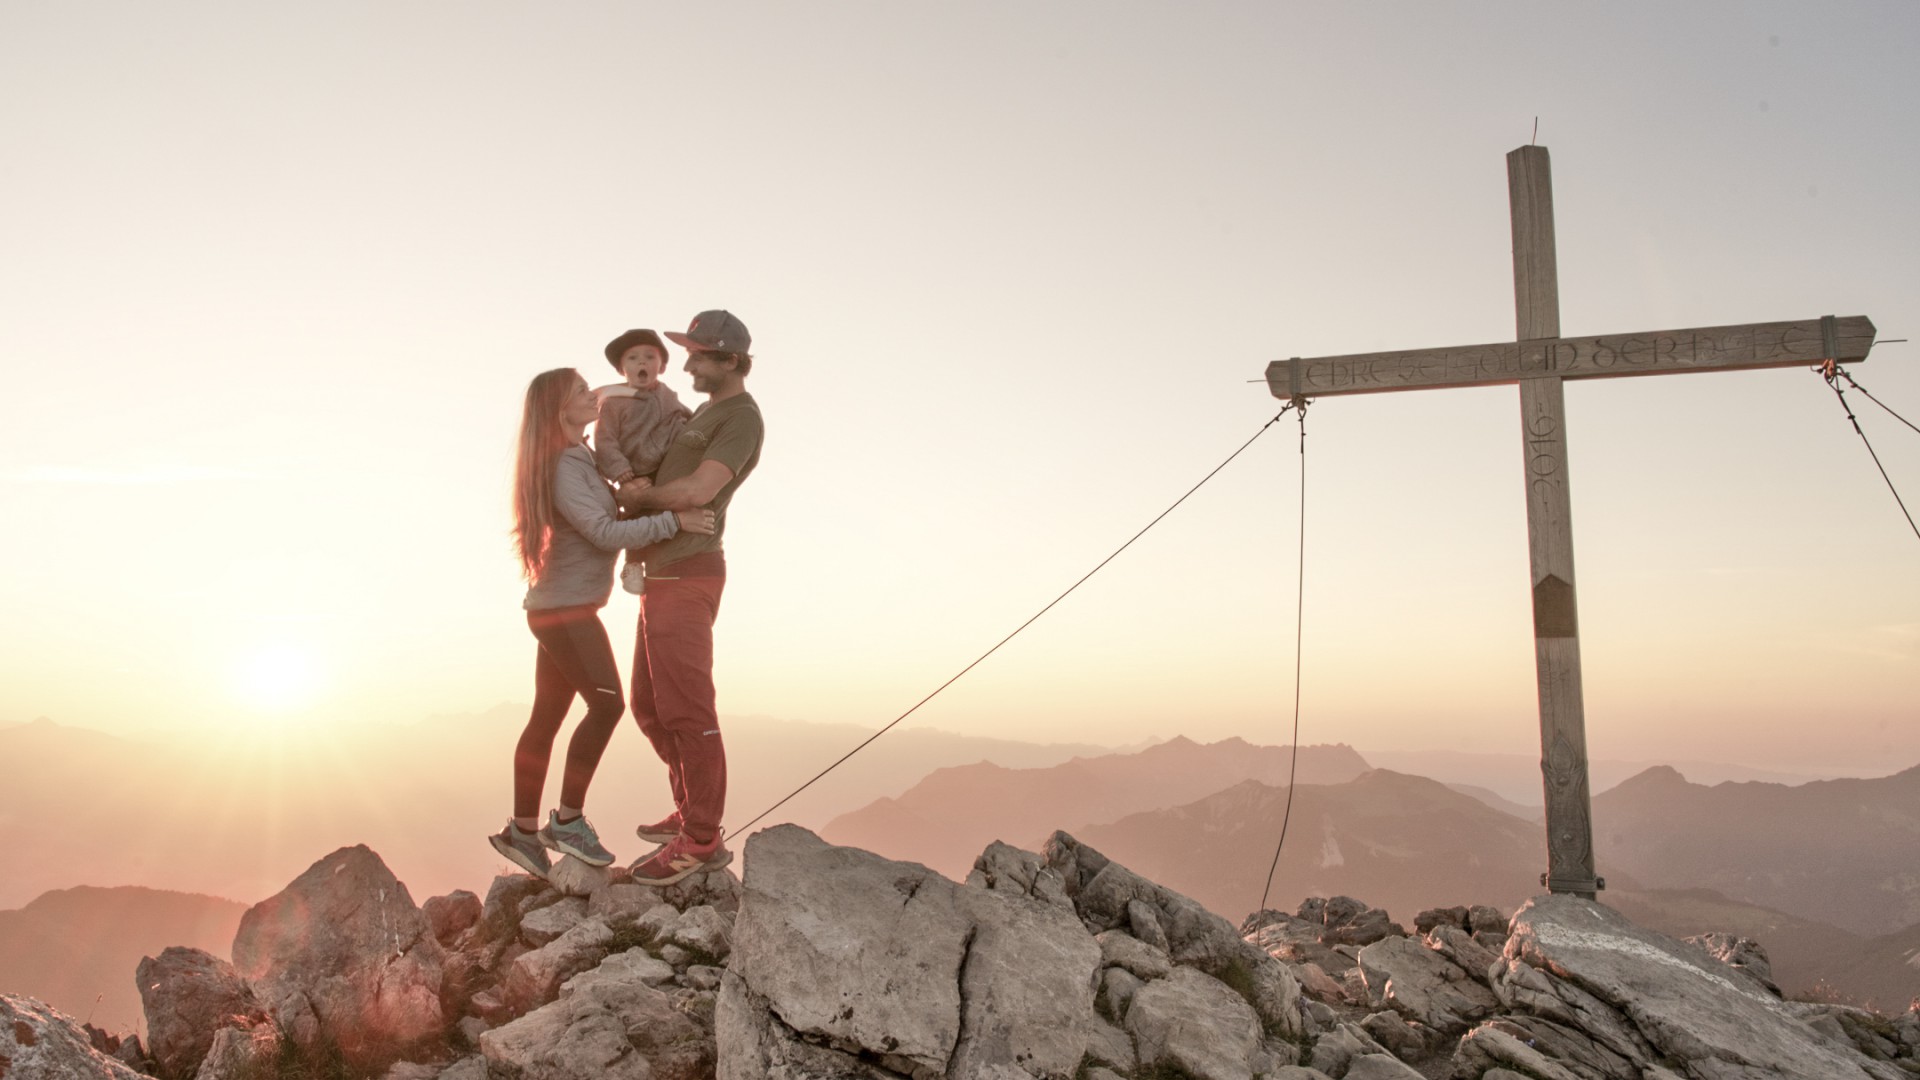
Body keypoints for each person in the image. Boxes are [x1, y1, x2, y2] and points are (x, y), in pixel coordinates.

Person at [494, 367, 716, 879]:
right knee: (608, 704)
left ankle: (522, 832)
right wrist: (674, 521)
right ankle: (567, 821)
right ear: (558, 409)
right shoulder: (564, 466)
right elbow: (601, 531)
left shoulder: (580, 457)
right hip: (565, 611)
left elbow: (608, 505)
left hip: (559, 608)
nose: (592, 394)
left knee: (547, 717)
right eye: (580, 391)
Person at [617, 309, 764, 885]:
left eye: (698, 356)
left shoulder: (741, 418)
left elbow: (701, 489)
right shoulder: (703, 411)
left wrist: (641, 499)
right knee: (650, 706)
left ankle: (701, 838)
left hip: (688, 574)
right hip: (661, 575)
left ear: (729, 360)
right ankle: (688, 809)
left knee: (687, 707)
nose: (687, 366)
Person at [591, 329, 693, 595]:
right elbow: (605, 440)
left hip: (668, 462)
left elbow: (684, 413)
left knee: (670, 509)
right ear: (621, 369)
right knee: (637, 514)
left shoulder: (667, 393)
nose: (642, 362)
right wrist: (620, 470)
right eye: (633, 358)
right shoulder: (614, 402)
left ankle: (675, 553)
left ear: (662, 366)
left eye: (650, 357)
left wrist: (697, 425)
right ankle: (633, 564)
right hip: (636, 470)